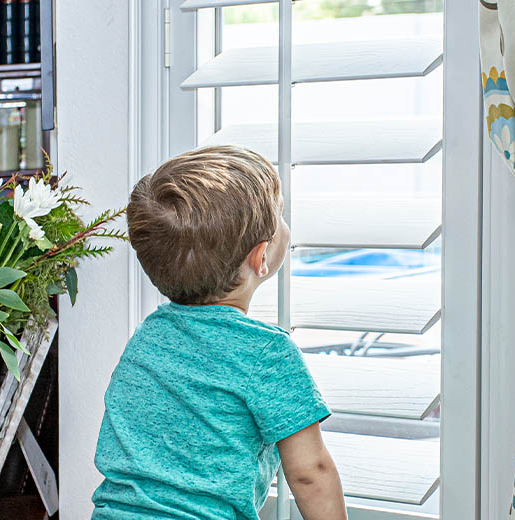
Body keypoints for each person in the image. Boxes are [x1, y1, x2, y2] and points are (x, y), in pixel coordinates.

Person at [92, 145, 347, 520]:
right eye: (280, 215)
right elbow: (311, 473)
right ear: (260, 258)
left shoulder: (149, 336)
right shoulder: (266, 352)